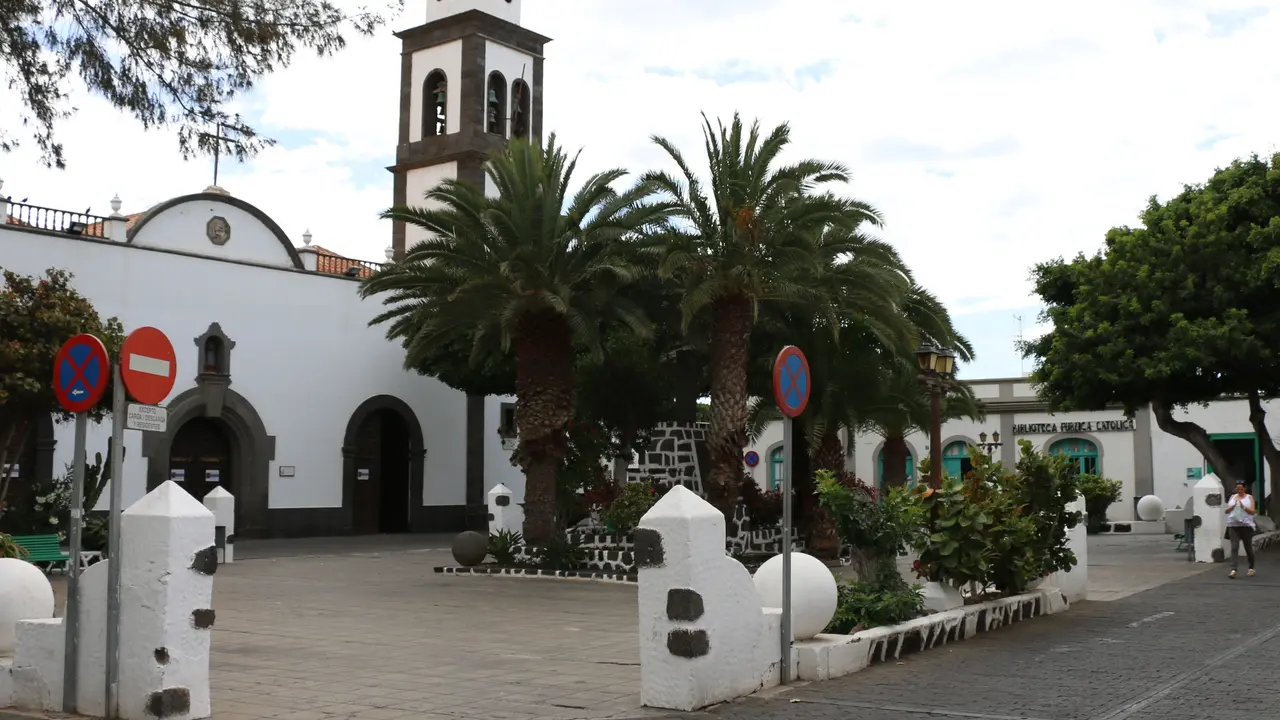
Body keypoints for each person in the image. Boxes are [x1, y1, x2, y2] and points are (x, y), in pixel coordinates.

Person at [1224, 480, 1258, 578]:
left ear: (1245, 489)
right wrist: (1233, 506)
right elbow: (1226, 511)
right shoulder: (1232, 497)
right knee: (1234, 547)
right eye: (1237, 489)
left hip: (1246, 526)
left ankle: (1251, 568)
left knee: (1248, 547)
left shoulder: (1249, 497)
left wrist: (1243, 507)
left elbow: (1253, 511)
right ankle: (1233, 569)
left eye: (1241, 489)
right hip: (1233, 525)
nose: (1239, 490)